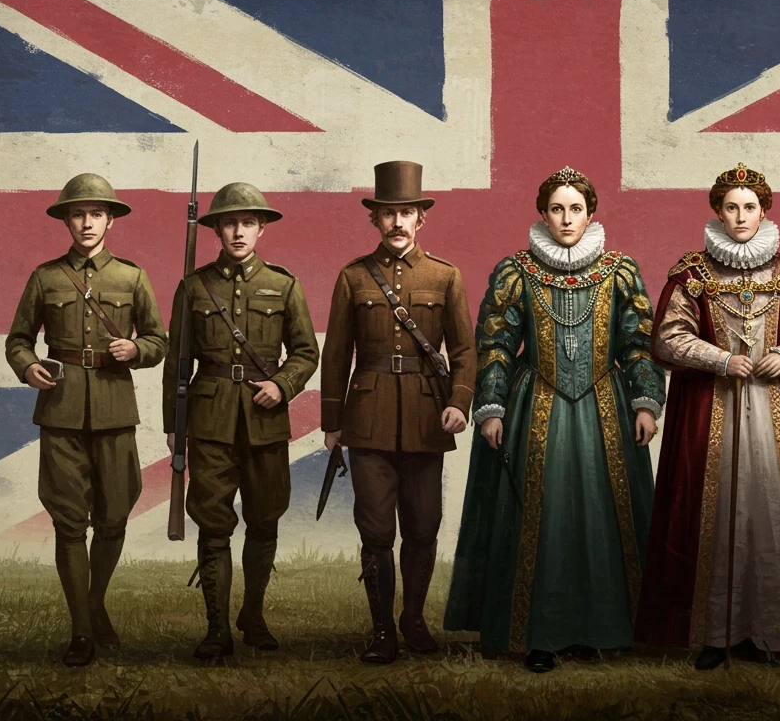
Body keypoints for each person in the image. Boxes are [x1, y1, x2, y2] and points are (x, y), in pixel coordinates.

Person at [445, 166, 665, 673]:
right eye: (557, 209)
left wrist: (646, 403)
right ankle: (536, 634)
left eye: (576, 209)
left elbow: (636, 344)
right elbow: (496, 344)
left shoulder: (619, 270)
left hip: (603, 408)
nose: (566, 219)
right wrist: (492, 408)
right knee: (538, 516)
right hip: (533, 404)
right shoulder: (516, 270)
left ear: (591, 214)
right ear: (543, 214)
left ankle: (596, 630)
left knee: (598, 515)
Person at [636, 163, 780, 670]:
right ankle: (713, 633)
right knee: (716, 513)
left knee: (773, 512)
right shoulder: (693, 273)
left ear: (764, 210)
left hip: (775, 410)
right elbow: (667, 337)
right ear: (717, 211)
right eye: (731, 207)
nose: (740, 216)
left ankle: (776, 632)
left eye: (749, 207)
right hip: (710, 410)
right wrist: (721, 359)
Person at [4, 174, 166, 667]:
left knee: (114, 517)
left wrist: (137, 348)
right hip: (61, 410)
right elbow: (16, 340)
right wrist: (27, 366)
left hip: (116, 410)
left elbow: (159, 341)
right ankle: (81, 629)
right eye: (78, 214)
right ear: (67, 221)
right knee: (69, 523)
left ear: (110, 220)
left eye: (96, 213)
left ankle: (94, 605)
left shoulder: (132, 277)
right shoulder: (45, 276)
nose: (87, 222)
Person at [319, 161, 477, 664]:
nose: (398, 223)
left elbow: (466, 351)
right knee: (376, 530)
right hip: (367, 421)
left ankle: (414, 618)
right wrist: (331, 423)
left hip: (429, 419)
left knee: (424, 525)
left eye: (406, 213)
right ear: (376, 220)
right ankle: (383, 629)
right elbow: (336, 354)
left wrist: (458, 402)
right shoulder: (351, 277)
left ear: (420, 218)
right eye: (388, 214)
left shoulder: (446, 276)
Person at [162, 183, 319, 660]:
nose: (238, 231)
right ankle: (215, 629)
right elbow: (177, 362)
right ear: (215, 229)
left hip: (264, 419)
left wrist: (283, 385)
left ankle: (253, 615)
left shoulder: (284, 284)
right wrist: (174, 422)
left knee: (264, 519)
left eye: (247, 222)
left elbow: (307, 352)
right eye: (228, 222)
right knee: (213, 524)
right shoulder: (193, 287)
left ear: (261, 227)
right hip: (209, 422)